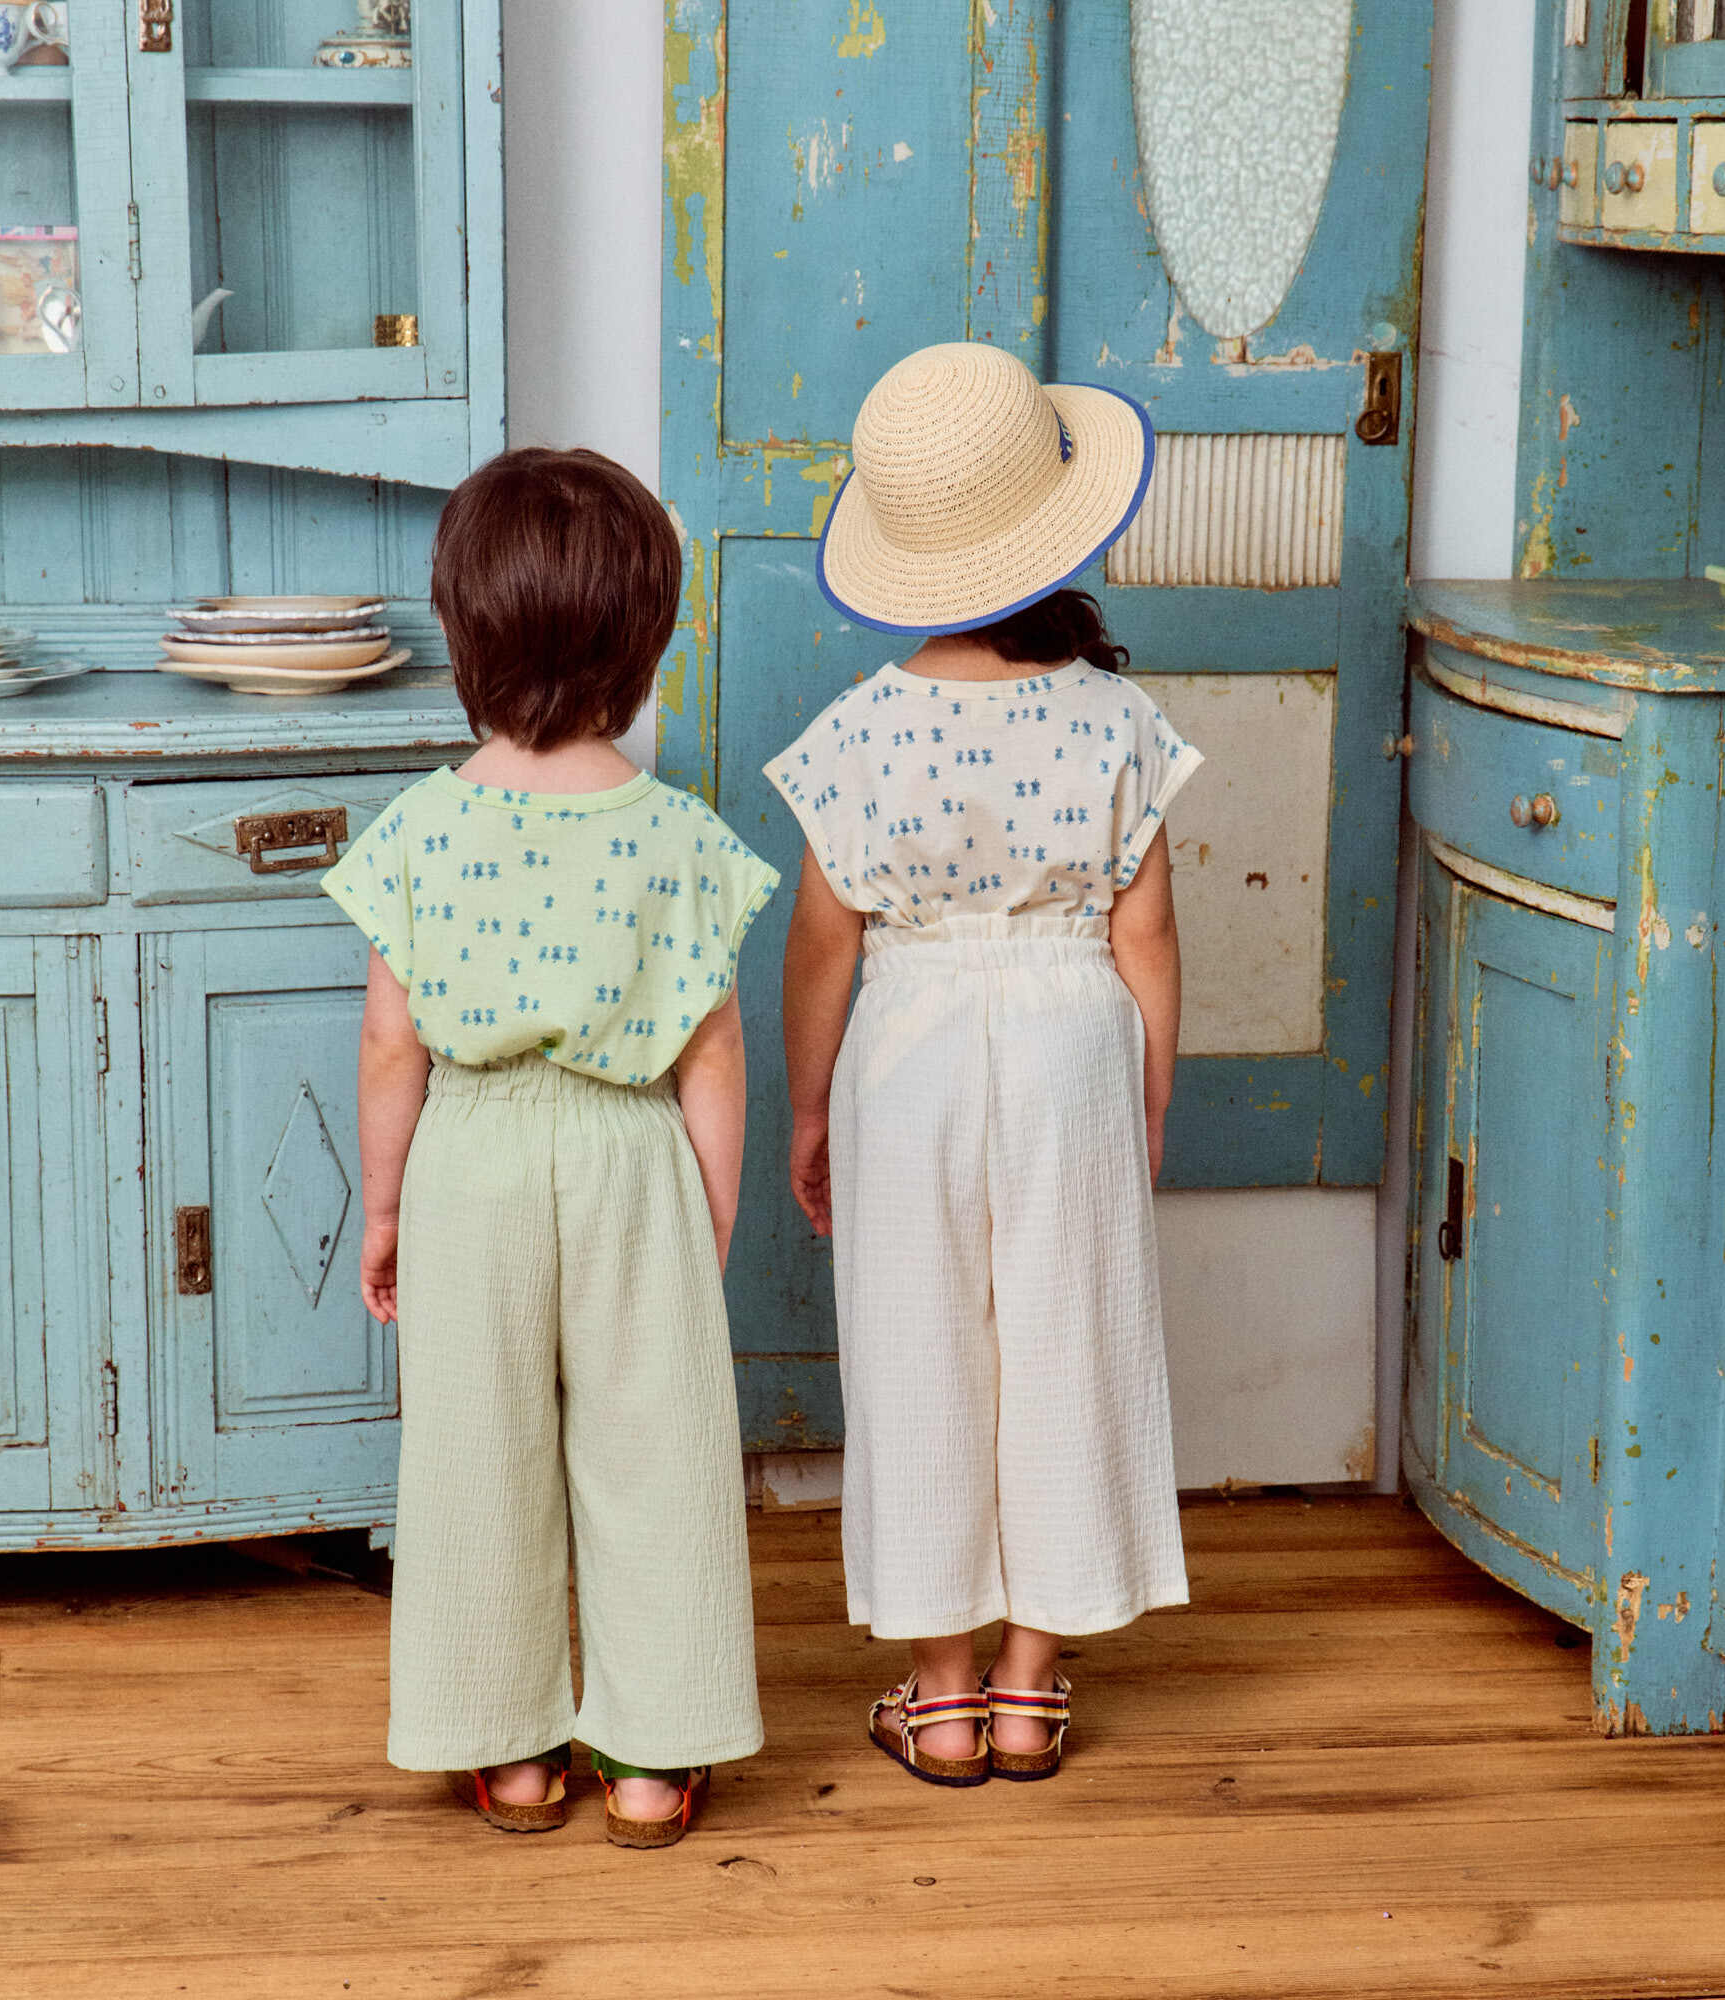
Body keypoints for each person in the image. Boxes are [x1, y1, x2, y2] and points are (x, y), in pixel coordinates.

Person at [326, 447, 778, 1847]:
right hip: (634, 1154)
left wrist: (385, 1209)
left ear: (464, 631)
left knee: (477, 1455)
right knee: (660, 1454)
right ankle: (652, 1760)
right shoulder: (681, 836)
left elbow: (390, 1046)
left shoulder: (419, 827)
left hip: (471, 1157)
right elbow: (715, 1051)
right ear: (643, 642)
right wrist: (708, 1209)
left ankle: (511, 1754)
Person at [766, 342, 1198, 1786]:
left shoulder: (853, 734)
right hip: (1074, 1035)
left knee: (918, 1349)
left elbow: (822, 946)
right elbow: (1148, 934)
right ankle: (1030, 1681)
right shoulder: (1117, 721)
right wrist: (1148, 1093)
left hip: (910, 1047)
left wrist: (809, 1107)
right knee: (1068, 1340)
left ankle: (941, 1694)